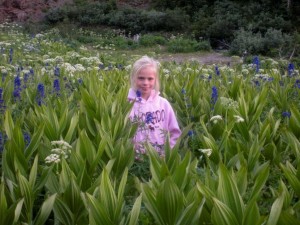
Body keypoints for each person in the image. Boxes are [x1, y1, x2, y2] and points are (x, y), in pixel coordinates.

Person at [127, 56, 181, 156]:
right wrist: (132, 153)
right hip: (136, 161)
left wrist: (167, 153)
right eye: (141, 78)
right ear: (133, 78)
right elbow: (123, 135)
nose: (145, 83)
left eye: (150, 79)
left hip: (161, 158)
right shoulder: (127, 105)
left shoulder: (163, 103)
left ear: (155, 80)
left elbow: (174, 132)